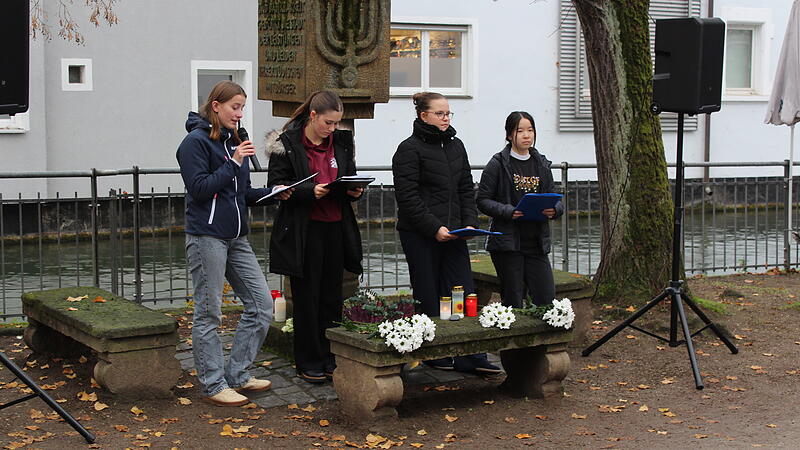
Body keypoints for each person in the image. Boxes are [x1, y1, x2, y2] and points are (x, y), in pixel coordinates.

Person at [177, 81, 291, 406]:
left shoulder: (231, 144)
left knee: (261, 305)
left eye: (242, 108)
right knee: (209, 313)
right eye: (234, 107)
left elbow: (239, 194)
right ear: (216, 106)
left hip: (236, 237)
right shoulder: (194, 143)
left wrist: (273, 193)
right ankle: (214, 384)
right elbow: (200, 189)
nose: (239, 114)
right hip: (206, 237)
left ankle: (239, 374)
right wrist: (234, 162)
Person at [392, 91, 501, 374]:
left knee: (460, 291)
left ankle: (468, 353)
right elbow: (408, 198)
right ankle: (432, 350)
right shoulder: (408, 149)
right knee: (428, 292)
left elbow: (466, 187)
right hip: (421, 235)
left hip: (455, 233)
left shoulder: (456, 146)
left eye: (448, 113)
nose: (445, 118)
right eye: (440, 114)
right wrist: (434, 228)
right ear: (423, 116)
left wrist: (469, 223)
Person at [265, 90, 364, 384]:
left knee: (332, 297)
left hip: (335, 226)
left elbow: (350, 175)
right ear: (313, 116)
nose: (333, 129)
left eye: (336, 124)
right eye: (328, 123)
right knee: (307, 298)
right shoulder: (288, 145)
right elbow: (276, 186)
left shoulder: (342, 144)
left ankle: (330, 357)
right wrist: (310, 191)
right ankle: (307, 360)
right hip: (303, 230)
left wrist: (355, 189)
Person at [476, 111, 564, 308]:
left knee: (546, 296)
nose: (527, 135)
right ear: (509, 135)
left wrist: (555, 210)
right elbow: (482, 200)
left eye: (530, 130)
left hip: (536, 242)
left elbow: (554, 196)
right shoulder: (497, 164)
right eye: (520, 131)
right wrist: (509, 211)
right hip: (508, 243)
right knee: (513, 299)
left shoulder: (541, 163)